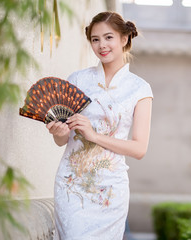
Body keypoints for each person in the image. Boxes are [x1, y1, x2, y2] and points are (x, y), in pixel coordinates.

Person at [46, 11, 153, 239]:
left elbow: (139, 149)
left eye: (108, 37)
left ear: (124, 39)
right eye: (95, 39)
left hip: (111, 191)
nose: (101, 45)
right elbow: (62, 140)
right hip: (71, 186)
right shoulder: (77, 80)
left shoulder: (140, 89)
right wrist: (59, 132)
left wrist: (94, 136)